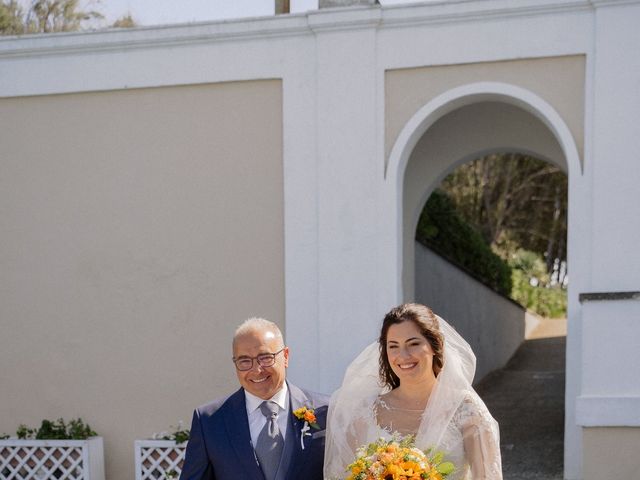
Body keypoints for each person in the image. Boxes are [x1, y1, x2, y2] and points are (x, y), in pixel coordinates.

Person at [324, 303, 502, 480]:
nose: (403, 355)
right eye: (393, 346)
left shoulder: (465, 409)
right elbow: (341, 475)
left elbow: (488, 476)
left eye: (413, 343)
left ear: (435, 345)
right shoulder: (365, 412)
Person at [181, 317, 329, 480]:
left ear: (285, 356)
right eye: (244, 360)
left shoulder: (326, 412)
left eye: (265, 357)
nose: (256, 369)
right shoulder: (209, 421)